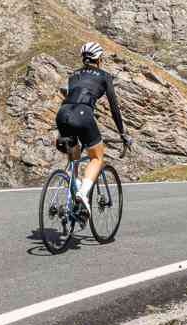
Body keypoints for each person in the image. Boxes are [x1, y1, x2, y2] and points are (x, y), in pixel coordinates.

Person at [56, 42, 132, 214]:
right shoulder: (104, 75)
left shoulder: (74, 75)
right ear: (99, 59)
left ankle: (74, 202)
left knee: (74, 160)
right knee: (96, 158)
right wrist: (122, 133)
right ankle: (82, 194)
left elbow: (69, 95)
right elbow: (114, 107)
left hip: (63, 114)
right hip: (83, 115)